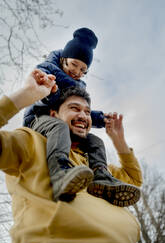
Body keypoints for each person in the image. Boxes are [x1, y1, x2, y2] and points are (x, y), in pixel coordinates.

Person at [0, 72, 142, 243]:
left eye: (87, 112)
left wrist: (119, 141)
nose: (83, 116)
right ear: (53, 115)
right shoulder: (31, 143)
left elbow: (134, 180)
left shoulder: (94, 163)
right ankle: (60, 174)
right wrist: (25, 95)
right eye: (74, 108)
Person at [23, 27, 140, 206]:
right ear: (63, 59)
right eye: (74, 64)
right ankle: (60, 172)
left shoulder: (78, 86)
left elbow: (74, 111)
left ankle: (101, 176)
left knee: (94, 141)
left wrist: (99, 119)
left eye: (83, 69)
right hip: (39, 118)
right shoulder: (47, 69)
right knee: (60, 126)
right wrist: (50, 93)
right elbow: (40, 96)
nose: (77, 72)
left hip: (60, 122)